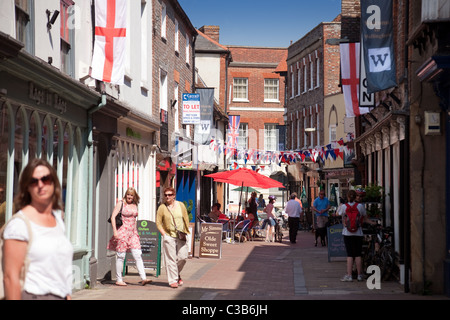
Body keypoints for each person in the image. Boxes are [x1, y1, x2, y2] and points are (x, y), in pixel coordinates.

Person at [2, 158, 73, 300]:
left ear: (54, 183)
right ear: (27, 187)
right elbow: (10, 278)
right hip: (33, 295)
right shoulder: (19, 225)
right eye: (34, 181)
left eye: (45, 179)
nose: (40, 185)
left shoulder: (57, 219)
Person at [107, 187, 152, 286]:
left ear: (134, 196)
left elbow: (134, 219)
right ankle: (119, 279)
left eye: (131, 195)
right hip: (123, 232)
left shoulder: (135, 205)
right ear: (125, 195)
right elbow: (113, 216)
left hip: (133, 233)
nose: (129, 197)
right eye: (128, 194)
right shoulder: (121, 203)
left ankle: (143, 278)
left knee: (137, 254)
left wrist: (136, 232)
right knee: (121, 256)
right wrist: (115, 231)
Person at [337, 189, 376, 282]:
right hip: (358, 233)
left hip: (347, 233)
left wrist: (340, 206)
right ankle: (359, 275)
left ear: (347, 197)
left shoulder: (344, 207)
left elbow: (337, 214)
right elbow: (365, 218)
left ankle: (349, 275)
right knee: (358, 254)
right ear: (356, 197)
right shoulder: (360, 206)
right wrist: (373, 223)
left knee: (350, 255)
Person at [156, 187, 190, 288]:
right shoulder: (162, 207)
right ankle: (173, 281)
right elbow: (158, 223)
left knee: (183, 257)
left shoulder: (181, 205)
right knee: (170, 259)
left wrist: (186, 231)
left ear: (174, 195)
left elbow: (186, 218)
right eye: (165, 195)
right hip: (169, 236)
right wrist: (164, 235)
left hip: (181, 235)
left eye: (169, 195)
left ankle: (176, 274)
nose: (167, 197)